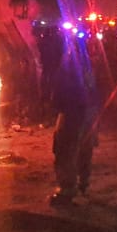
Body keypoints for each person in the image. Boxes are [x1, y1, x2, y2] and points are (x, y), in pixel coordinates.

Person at [39, 25, 100, 206]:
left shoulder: (71, 61)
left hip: (73, 111)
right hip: (86, 111)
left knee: (65, 148)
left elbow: (63, 87)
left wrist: (55, 104)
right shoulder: (87, 61)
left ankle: (66, 191)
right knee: (83, 148)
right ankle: (83, 183)